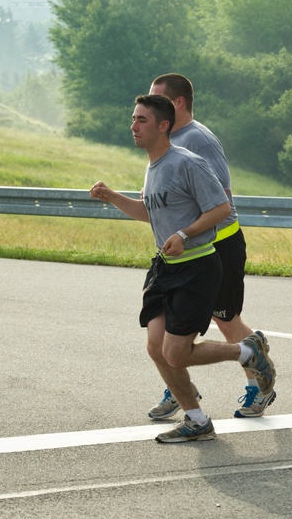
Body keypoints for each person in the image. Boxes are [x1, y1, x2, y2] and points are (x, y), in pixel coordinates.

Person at [90, 94, 275, 443]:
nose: (133, 126)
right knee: (156, 348)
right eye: (133, 119)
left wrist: (183, 233)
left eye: (141, 120)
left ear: (163, 126)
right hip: (164, 268)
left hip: (198, 268)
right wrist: (112, 196)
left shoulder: (187, 162)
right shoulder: (154, 165)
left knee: (176, 352)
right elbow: (150, 211)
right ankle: (196, 419)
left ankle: (248, 351)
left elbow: (221, 208)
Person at [147, 73, 275, 420]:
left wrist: (192, 235)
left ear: (178, 104)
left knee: (227, 321)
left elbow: (223, 198)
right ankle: (177, 387)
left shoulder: (198, 140)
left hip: (218, 243)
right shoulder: (167, 138)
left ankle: (259, 388)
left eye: (157, 101)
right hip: (185, 250)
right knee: (174, 328)